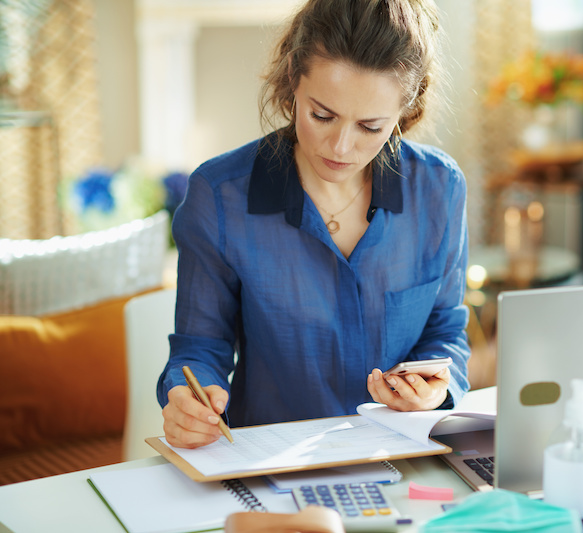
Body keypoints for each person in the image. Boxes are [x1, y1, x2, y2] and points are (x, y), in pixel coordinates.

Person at [157, 0, 471, 449]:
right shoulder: (220, 195)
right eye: (322, 115)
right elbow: (198, 348)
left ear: (406, 109)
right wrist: (187, 398)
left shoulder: (439, 188)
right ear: (292, 81)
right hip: (269, 462)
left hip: (403, 454)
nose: (341, 146)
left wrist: (435, 388)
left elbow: (446, 333)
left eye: (370, 126)